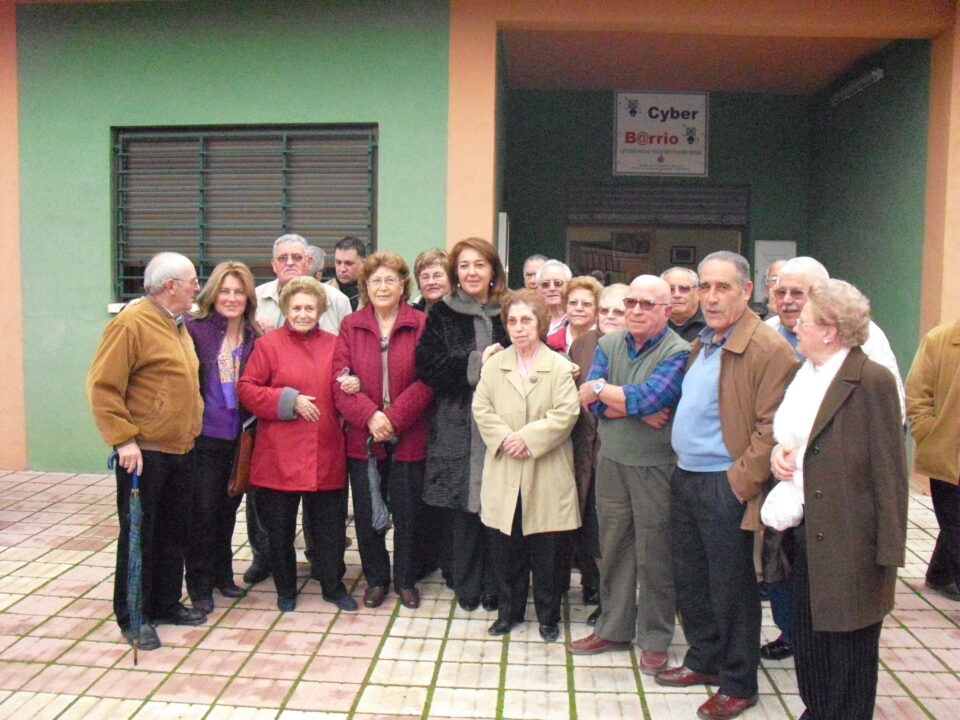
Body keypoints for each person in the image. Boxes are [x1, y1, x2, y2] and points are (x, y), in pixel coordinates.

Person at [655, 251, 796, 720]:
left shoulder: (766, 348)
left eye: (723, 288)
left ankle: (738, 681)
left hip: (724, 484)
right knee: (692, 580)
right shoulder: (705, 341)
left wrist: (738, 486)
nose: (711, 298)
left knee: (732, 587)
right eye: (705, 288)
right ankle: (704, 658)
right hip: (688, 475)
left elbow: (773, 427)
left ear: (747, 291)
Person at [764, 279, 907, 720]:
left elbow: (890, 469)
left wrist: (885, 553)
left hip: (852, 540)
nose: (796, 327)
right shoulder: (803, 373)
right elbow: (794, 438)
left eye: (804, 322)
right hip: (805, 530)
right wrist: (778, 456)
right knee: (809, 637)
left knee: (849, 646)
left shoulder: (870, 380)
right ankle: (819, 708)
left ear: (829, 330)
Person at [568, 276, 690, 678]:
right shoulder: (608, 343)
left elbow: (654, 398)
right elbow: (591, 402)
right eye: (631, 302)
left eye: (646, 304)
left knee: (655, 554)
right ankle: (614, 628)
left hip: (655, 466)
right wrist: (623, 401)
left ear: (666, 311)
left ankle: (655, 638)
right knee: (614, 547)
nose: (636, 310)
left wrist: (607, 391)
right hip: (613, 462)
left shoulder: (679, 350)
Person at [87, 252, 207, 652]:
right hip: (144, 452)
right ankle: (134, 617)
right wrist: (123, 440)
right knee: (141, 535)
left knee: (175, 533)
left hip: (181, 448)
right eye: (192, 280)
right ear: (170, 285)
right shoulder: (130, 324)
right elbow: (103, 387)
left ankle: (166, 603)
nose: (197, 286)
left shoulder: (177, 324)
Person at [237, 276, 355, 612]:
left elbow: (345, 382)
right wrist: (289, 400)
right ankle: (285, 589)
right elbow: (247, 389)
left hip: (325, 449)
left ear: (320, 311)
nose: (303, 314)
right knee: (280, 531)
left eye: (310, 308)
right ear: (286, 309)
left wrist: (352, 384)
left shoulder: (335, 344)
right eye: (297, 308)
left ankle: (333, 586)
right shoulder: (268, 345)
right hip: (279, 454)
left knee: (329, 530)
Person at [473, 289, 580, 641]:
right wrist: (505, 438)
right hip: (505, 466)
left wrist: (528, 439)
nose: (519, 328)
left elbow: (566, 414)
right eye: (513, 321)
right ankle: (509, 613)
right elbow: (481, 408)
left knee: (547, 550)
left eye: (527, 320)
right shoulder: (494, 365)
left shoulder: (560, 367)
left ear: (541, 323)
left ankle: (548, 618)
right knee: (506, 547)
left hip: (546, 470)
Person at [333, 252, 433, 610]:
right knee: (366, 512)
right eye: (376, 280)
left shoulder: (421, 323)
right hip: (364, 437)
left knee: (408, 513)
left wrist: (392, 418)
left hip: (408, 435)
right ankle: (376, 579)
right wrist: (371, 417)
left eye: (391, 280)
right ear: (365, 286)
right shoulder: (351, 325)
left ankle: (405, 579)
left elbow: (428, 379)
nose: (383, 286)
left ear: (404, 285)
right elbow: (339, 380)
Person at [416, 237, 509, 612]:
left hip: (504, 425)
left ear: (493, 271)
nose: (472, 272)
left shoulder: (510, 309)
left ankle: (497, 586)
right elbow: (427, 366)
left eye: (479, 265)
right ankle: (466, 584)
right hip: (457, 423)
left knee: (499, 508)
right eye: (464, 265)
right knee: (463, 511)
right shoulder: (441, 312)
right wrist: (475, 362)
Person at [183, 262, 259, 614]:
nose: (231, 298)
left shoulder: (256, 335)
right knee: (202, 512)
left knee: (228, 510)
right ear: (213, 294)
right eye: (225, 291)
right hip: (203, 437)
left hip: (240, 438)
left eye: (238, 292)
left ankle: (222, 576)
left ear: (248, 297)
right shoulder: (195, 330)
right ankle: (198, 585)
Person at [568, 282, 630, 625]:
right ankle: (593, 588)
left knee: (615, 531)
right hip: (584, 449)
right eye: (604, 310)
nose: (609, 317)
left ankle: (613, 603)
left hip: (619, 450)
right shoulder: (583, 344)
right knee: (590, 523)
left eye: (617, 311)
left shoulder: (633, 345)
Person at [905, 318, 960, 602]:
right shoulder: (940, 340)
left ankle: (939, 575)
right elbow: (916, 394)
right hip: (948, 455)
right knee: (955, 524)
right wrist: (929, 432)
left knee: (953, 524)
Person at [546, 275, 601, 353]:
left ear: (597, 309)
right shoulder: (550, 342)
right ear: (565, 306)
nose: (579, 308)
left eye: (586, 304)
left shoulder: (605, 342)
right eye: (573, 303)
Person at [661, 267, 705, 341]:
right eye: (670, 289)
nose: (677, 295)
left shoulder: (711, 325)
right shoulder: (653, 325)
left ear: (698, 293)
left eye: (684, 288)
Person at [328, 236, 368, 310]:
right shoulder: (323, 292)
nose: (342, 269)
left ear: (363, 263)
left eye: (349, 263)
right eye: (338, 262)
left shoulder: (375, 293)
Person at [536, 259, 572, 334]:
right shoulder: (533, 320)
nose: (552, 288)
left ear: (569, 286)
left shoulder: (577, 318)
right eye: (545, 284)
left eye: (558, 283)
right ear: (538, 289)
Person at [410, 248, 450, 312]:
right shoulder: (412, 314)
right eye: (425, 277)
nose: (431, 282)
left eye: (437, 276)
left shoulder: (464, 312)